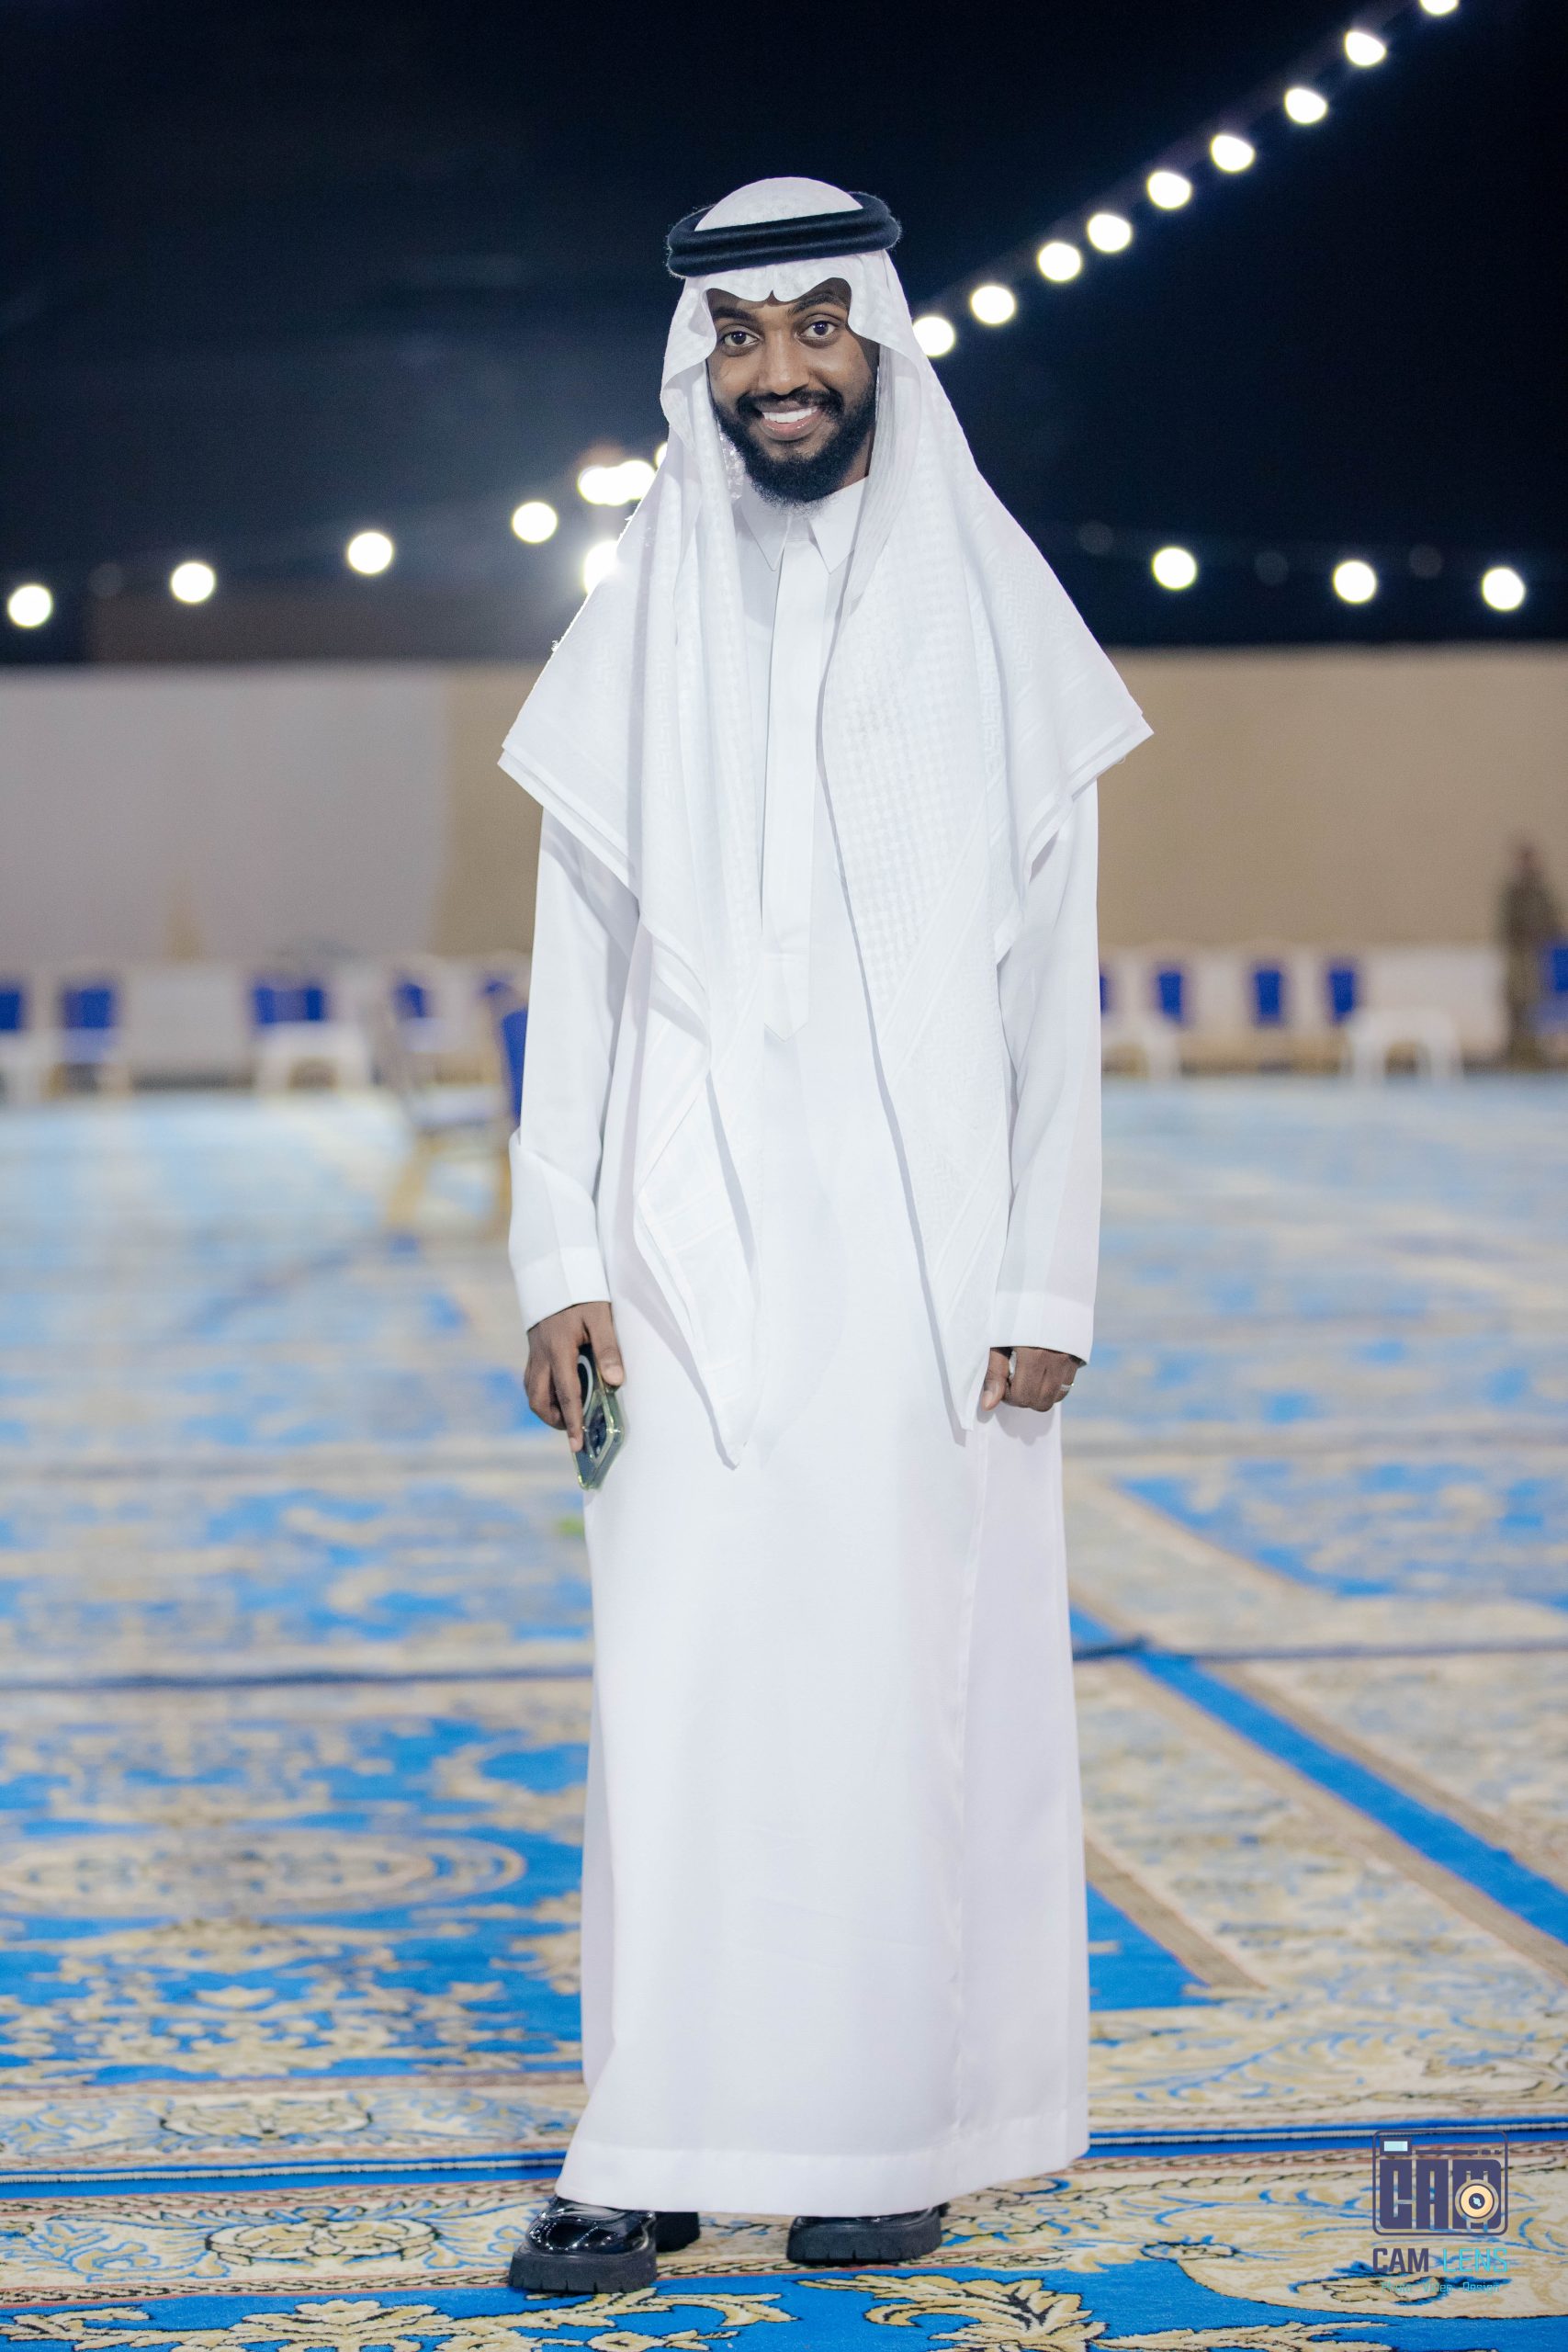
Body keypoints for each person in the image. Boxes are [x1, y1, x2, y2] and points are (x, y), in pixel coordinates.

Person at [500, 177, 1150, 2294]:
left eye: (812, 327)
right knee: (671, 1686)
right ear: (694, 363)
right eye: (738, 336)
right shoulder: (637, 619)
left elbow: (1048, 984)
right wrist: (555, 1251)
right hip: (674, 1250)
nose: (776, 370)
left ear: (876, 340)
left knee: (895, 1690)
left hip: (921, 1249)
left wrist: (1043, 1270)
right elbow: (576, 962)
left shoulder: (990, 615)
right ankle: (650, 2140)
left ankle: (890, 2126)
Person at [1498, 842, 1562, 1066]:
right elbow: (1506, 925)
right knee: (1517, 999)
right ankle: (1518, 1050)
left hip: (1540, 953)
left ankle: (1537, 1049)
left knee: (1538, 1001)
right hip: (1519, 953)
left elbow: (1553, 921)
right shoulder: (1513, 892)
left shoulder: (1541, 892)